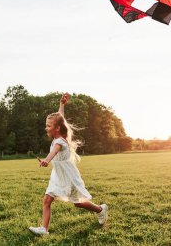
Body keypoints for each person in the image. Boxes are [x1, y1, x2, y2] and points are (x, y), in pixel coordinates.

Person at [29, 93, 108, 236]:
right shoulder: (59, 135)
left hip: (68, 176)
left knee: (78, 203)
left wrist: (46, 160)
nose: (46, 128)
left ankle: (100, 209)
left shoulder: (59, 142)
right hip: (58, 175)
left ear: (57, 128)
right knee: (47, 200)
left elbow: (53, 152)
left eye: (48, 126)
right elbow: (61, 117)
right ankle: (44, 229)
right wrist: (62, 104)